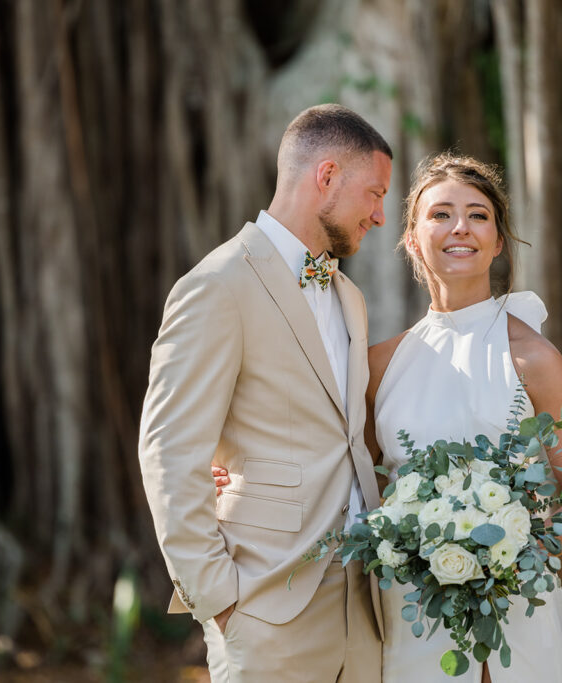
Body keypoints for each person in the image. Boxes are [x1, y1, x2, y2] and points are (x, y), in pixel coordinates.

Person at [215, 152, 562, 682]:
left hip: (517, 608)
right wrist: (238, 479)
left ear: (498, 240)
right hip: (413, 612)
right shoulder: (378, 365)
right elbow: (342, 476)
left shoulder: (533, 359)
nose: (460, 227)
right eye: (440, 214)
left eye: (479, 215)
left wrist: (510, 559)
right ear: (412, 240)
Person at [139, 103, 393, 681]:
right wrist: (220, 600)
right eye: (374, 193)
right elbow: (169, 451)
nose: (380, 216)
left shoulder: (349, 298)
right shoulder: (216, 286)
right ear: (326, 176)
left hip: (365, 605)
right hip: (266, 608)